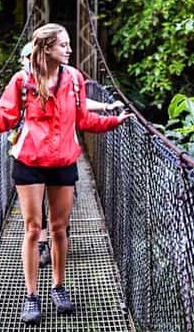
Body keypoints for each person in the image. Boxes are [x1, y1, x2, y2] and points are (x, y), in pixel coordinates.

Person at [0, 23, 132, 324]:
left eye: (69, 44)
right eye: (63, 45)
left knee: (59, 229)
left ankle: (58, 286)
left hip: (64, 161)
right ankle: (31, 295)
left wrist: (113, 122)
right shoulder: (22, 81)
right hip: (29, 161)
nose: (70, 50)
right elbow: (5, 119)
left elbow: (83, 119)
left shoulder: (74, 79)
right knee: (32, 229)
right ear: (46, 49)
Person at [14, 41, 123, 269]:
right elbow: (6, 112)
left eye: (28, 58)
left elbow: (78, 106)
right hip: (30, 153)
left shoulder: (65, 80)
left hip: (60, 152)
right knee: (34, 214)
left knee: (59, 209)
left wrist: (106, 109)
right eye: (24, 59)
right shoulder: (23, 82)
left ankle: (56, 241)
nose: (27, 63)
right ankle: (43, 245)